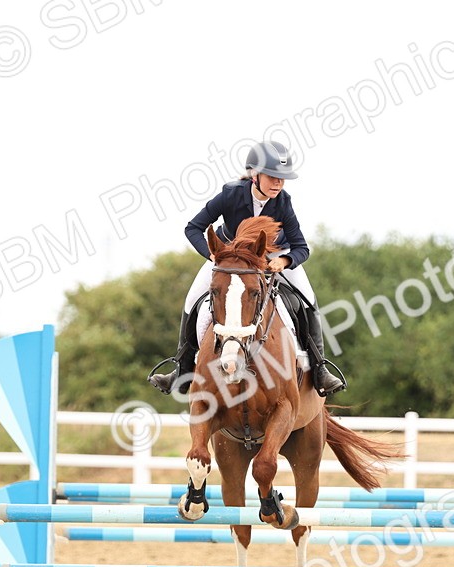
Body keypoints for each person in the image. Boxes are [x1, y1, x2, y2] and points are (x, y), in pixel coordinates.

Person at [147, 141, 346, 397]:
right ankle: (182, 370)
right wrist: (213, 255)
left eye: (282, 179)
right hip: (229, 258)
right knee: (192, 300)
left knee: (308, 300)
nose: (278, 184)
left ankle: (319, 369)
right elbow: (192, 228)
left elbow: (301, 247)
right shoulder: (230, 195)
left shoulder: (283, 202)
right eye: (273, 177)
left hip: (274, 255)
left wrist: (284, 262)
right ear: (255, 174)